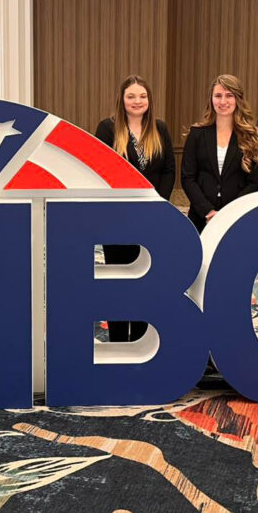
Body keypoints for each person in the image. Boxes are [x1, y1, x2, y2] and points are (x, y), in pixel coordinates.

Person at [94, 75, 176, 342]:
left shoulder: (160, 128)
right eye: (131, 96)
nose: (137, 101)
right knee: (118, 282)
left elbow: (168, 171)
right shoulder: (107, 129)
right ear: (122, 100)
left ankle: (140, 340)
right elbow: (101, 171)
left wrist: (155, 206)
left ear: (149, 100)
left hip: (151, 219)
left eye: (142, 96)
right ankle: (119, 340)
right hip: (116, 219)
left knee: (144, 282)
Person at [181, 74, 258, 233]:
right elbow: (188, 178)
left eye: (229, 96)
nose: (223, 101)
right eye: (218, 96)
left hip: (238, 218)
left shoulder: (253, 137)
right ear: (211, 99)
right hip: (201, 218)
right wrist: (208, 211)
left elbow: (255, 182)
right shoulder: (197, 134)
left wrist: (228, 212)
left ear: (238, 99)